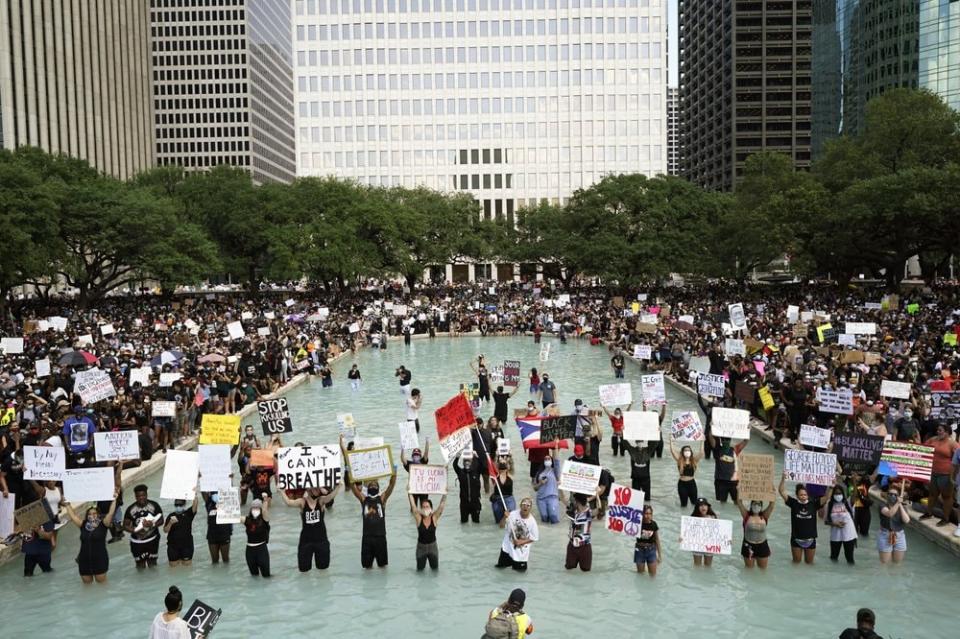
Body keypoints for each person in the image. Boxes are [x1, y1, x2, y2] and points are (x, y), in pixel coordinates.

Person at [63, 487, 119, 583]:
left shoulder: (104, 523)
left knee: (102, 587)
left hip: (100, 560)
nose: (92, 515)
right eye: (89, 514)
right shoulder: (83, 524)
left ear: (98, 514)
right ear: (86, 515)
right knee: (87, 588)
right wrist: (67, 504)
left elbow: (110, 513)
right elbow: (73, 516)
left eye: (94, 513)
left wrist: (114, 500)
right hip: (84, 561)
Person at [280, 483, 340, 572]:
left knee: (323, 569)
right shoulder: (302, 502)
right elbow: (289, 503)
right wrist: (281, 491)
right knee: (304, 570)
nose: (317, 490)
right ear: (308, 489)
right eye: (314, 488)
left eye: (317, 488)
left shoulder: (321, 501)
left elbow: (330, 497)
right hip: (306, 542)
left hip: (321, 540)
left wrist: (339, 486)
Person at [349, 467, 398, 569]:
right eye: (371, 485)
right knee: (367, 567)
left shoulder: (382, 499)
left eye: (375, 485)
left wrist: (394, 473)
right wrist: (349, 472)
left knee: (383, 566)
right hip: (367, 537)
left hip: (380, 537)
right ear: (368, 489)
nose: (373, 486)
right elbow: (353, 487)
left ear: (378, 488)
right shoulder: (364, 499)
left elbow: (391, 485)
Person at [779, 472, 829, 564]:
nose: (803, 497)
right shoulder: (793, 503)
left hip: (810, 540)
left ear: (808, 495)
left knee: (809, 564)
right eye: (801, 495)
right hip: (796, 539)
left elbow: (826, 497)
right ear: (797, 495)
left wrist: (831, 485)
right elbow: (781, 492)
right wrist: (783, 479)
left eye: (805, 495)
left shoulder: (813, 504)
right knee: (796, 563)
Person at [921, 422, 957, 527]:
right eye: (937, 430)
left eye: (940, 430)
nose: (938, 432)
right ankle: (929, 513)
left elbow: (957, 459)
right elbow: (922, 448)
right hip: (933, 472)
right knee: (932, 494)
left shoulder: (953, 444)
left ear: (947, 432)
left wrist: (954, 476)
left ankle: (946, 518)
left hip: (946, 475)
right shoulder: (933, 440)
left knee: (947, 497)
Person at [123, 484, 164, 569]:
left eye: (143, 495)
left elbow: (161, 520)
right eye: (138, 496)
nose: (141, 497)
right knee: (140, 566)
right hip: (137, 543)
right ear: (135, 496)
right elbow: (125, 525)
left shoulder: (154, 505)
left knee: (152, 564)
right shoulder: (130, 509)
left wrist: (152, 525)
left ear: (146, 494)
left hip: (152, 540)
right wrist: (135, 530)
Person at [495, 497, 539, 571]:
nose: (525, 506)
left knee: (520, 575)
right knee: (500, 570)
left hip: (521, 554)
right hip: (507, 549)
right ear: (520, 506)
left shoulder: (532, 522)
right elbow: (501, 526)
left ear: (530, 508)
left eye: (528, 505)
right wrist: (504, 517)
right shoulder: (512, 514)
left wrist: (521, 542)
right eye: (524, 504)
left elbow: (535, 538)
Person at [408, 492, 447, 571]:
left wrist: (445, 494)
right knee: (420, 571)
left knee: (435, 570)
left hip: (433, 548)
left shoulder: (434, 517)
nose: (425, 508)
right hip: (421, 548)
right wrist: (409, 493)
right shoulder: (419, 518)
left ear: (431, 508)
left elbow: (441, 506)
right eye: (423, 507)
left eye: (427, 506)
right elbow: (413, 506)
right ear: (421, 509)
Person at [708, 434, 747, 503]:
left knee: (737, 502)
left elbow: (746, 440)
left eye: (727, 439)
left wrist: (748, 430)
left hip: (733, 481)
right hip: (720, 480)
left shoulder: (735, 449)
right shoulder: (717, 449)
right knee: (722, 502)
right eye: (724, 439)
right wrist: (711, 427)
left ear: (730, 440)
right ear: (721, 441)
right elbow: (710, 437)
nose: (725, 441)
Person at [164, 492, 199, 567]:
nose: (178, 506)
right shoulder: (171, 516)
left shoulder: (188, 514)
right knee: (173, 568)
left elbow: (195, 505)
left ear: (184, 505)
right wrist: (170, 523)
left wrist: (194, 494)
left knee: (187, 567)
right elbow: (165, 530)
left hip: (187, 546)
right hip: (173, 547)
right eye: (176, 505)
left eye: (180, 505)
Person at [877, 483, 910, 564]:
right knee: (884, 563)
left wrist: (900, 505)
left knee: (897, 563)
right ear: (887, 495)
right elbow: (889, 514)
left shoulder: (902, 507)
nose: (892, 496)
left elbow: (907, 520)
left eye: (895, 495)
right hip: (885, 534)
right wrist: (898, 503)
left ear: (898, 496)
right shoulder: (882, 505)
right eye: (890, 494)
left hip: (899, 535)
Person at [737, 499, 774, 569]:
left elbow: (771, 505)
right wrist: (739, 490)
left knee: (763, 570)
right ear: (751, 505)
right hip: (748, 546)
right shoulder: (746, 515)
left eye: (759, 504)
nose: (756, 506)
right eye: (754, 504)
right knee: (749, 570)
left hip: (762, 546)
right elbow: (739, 503)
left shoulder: (764, 516)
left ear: (761, 507)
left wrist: (772, 493)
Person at [826, 485, 858, 564]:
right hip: (835, 535)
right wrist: (834, 524)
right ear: (833, 494)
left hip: (849, 535)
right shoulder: (829, 504)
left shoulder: (848, 502)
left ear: (843, 494)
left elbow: (854, 494)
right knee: (833, 557)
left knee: (850, 558)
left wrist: (854, 482)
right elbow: (826, 521)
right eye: (836, 493)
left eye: (839, 493)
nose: (838, 495)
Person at [684, 498, 719, 567]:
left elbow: (719, 532)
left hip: (709, 545)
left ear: (708, 507)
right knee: (697, 566)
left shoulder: (713, 518)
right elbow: (688, 532)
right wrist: (683, 538)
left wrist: (727, 540)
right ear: (697, 508)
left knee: (708, 566)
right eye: (701, 505)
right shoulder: (692, 519)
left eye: (705, 505)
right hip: (697, 545)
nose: (703, 507)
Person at [564, 493, 593, 571]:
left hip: (585, 546)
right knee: (569, 569)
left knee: (585, 570)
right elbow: (563, 499)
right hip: (572, 545)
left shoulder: (589, 512)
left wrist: (597, 495)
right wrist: (560, 488)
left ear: (577, 502)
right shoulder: (572, 511)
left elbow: (600, 509)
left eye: (574, 501)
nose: (573, 502)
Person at [452, 448, 482, 523]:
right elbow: (455, 465)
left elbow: (482, 465)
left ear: (471, 462)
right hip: (464, 504)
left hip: (475, 503)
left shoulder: (476, 471)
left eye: (468, 461)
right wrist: (457, 457)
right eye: (465, 461)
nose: (467, 463)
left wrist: (476, 456)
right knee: (464, 523)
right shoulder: (460, 472)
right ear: (463, 462)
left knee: (476, 523)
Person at [244, 495, 271, 577]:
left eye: (257, 508)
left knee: (266, 576)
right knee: (254, 576)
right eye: (253, 508)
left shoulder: (264, 519)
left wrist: (265, 500)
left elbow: (265, 511)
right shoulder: (247, 520)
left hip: (261, 550)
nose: (255, 510)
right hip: (249, 551)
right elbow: (233, 517)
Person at [669, 440, 702, 507]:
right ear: (682, 452)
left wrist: (702, 441)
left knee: (694, 503)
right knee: (683, 504)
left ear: (691, 452)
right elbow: (672, 451)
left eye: (689, 450)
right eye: (685, 450)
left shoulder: (694, 460)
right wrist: (671, 441)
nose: (687, 451)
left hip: (692, 484)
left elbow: (701, 452)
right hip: (682, 484)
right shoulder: (679, 461)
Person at [204, 491, 232, 564]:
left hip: (224, 534)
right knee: (214, 561)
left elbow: (230, 492)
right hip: (212, 535)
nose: (215, 495)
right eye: (213, 494)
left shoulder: (227, 504)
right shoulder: (209, 504)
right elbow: (204, 492)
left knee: (225, 560)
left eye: (217, 494)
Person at [533, 451, 561, 524]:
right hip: (541, 499)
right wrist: (540, 483)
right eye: (546, 459)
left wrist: (555, 448)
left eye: (549, 459)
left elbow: (557, 461)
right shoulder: (539, 473)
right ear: (543, 461)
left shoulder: (555, 471)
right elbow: (535, 488)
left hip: (552, 497)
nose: (547, 460)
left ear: (551, 460)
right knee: (544, 518)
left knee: (553, 517)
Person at [634, 505, 661, 577]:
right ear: (642, 514)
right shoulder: (637, 524)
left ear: (652, 514)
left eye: (649, 513)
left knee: (653, 576)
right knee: (640, 575)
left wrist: (660, 555)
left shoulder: (654, 524)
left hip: (651, 550)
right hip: (639, 550)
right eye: (646, 513)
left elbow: (657, 540)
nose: (648, 515)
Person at [491, 460, 516, 525]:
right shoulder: (495, 476)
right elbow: (493, 465)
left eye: (504, 469)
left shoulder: (510, 475)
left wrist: (507, 461)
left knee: (511, 516)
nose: (503, 470)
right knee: (498, 521)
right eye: (501, 469)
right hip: (497, 498)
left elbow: (512, 466)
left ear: (506, 469)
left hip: (509, 498)